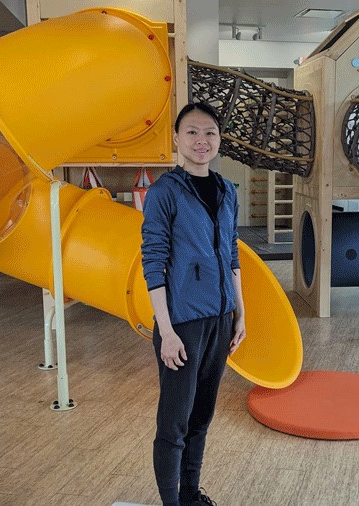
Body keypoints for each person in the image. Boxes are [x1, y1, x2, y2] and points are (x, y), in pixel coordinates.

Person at [141, 102, 246, 506]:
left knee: (201, 416)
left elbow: (232, 255)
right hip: (182, 323)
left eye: (210, 133)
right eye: (192, 132)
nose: (202, 141)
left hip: (220, 319)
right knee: (174, 422)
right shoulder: (164, 192)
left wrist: (241, 314)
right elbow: (153, 261)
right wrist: (165, 331)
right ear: (176, 138)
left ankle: (190, 495)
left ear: (219, 140)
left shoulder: (226, 190)